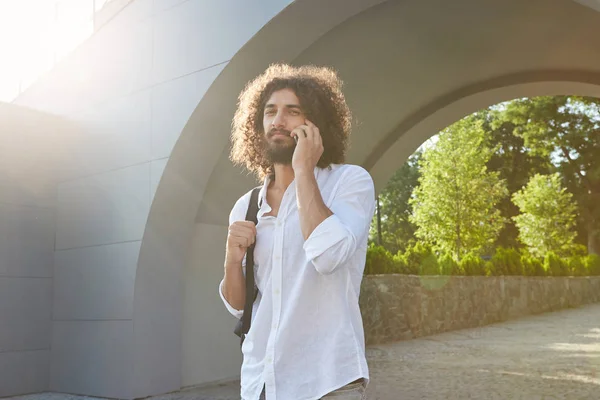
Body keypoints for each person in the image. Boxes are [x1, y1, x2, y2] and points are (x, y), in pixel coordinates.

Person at [219, 64, 376, 400]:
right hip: (262, 380)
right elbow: (239, 306)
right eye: (270, 111)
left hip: (326, 380)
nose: (278, 120)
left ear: (316, 123)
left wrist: (303, 170)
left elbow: (329, 255)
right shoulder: (247, 206)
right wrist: (232, 261)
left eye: (293, 111)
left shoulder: (349, 182)